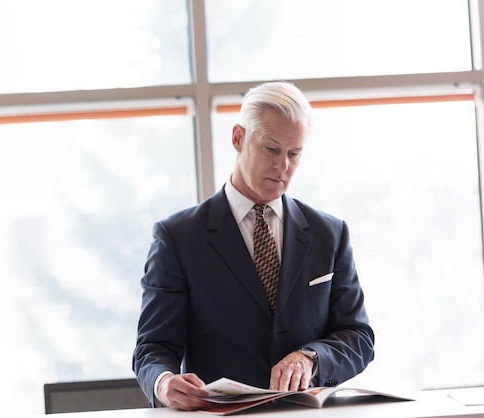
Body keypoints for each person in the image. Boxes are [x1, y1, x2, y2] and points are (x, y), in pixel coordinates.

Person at [132, 81, 374, 411]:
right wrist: (163, 384)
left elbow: (359, 338)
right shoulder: (178, 237)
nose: (283, 166)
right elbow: (153, 347)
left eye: (294, 154)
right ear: (238, 138)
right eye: (271, 149)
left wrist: (310, 359)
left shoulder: (329, 233)